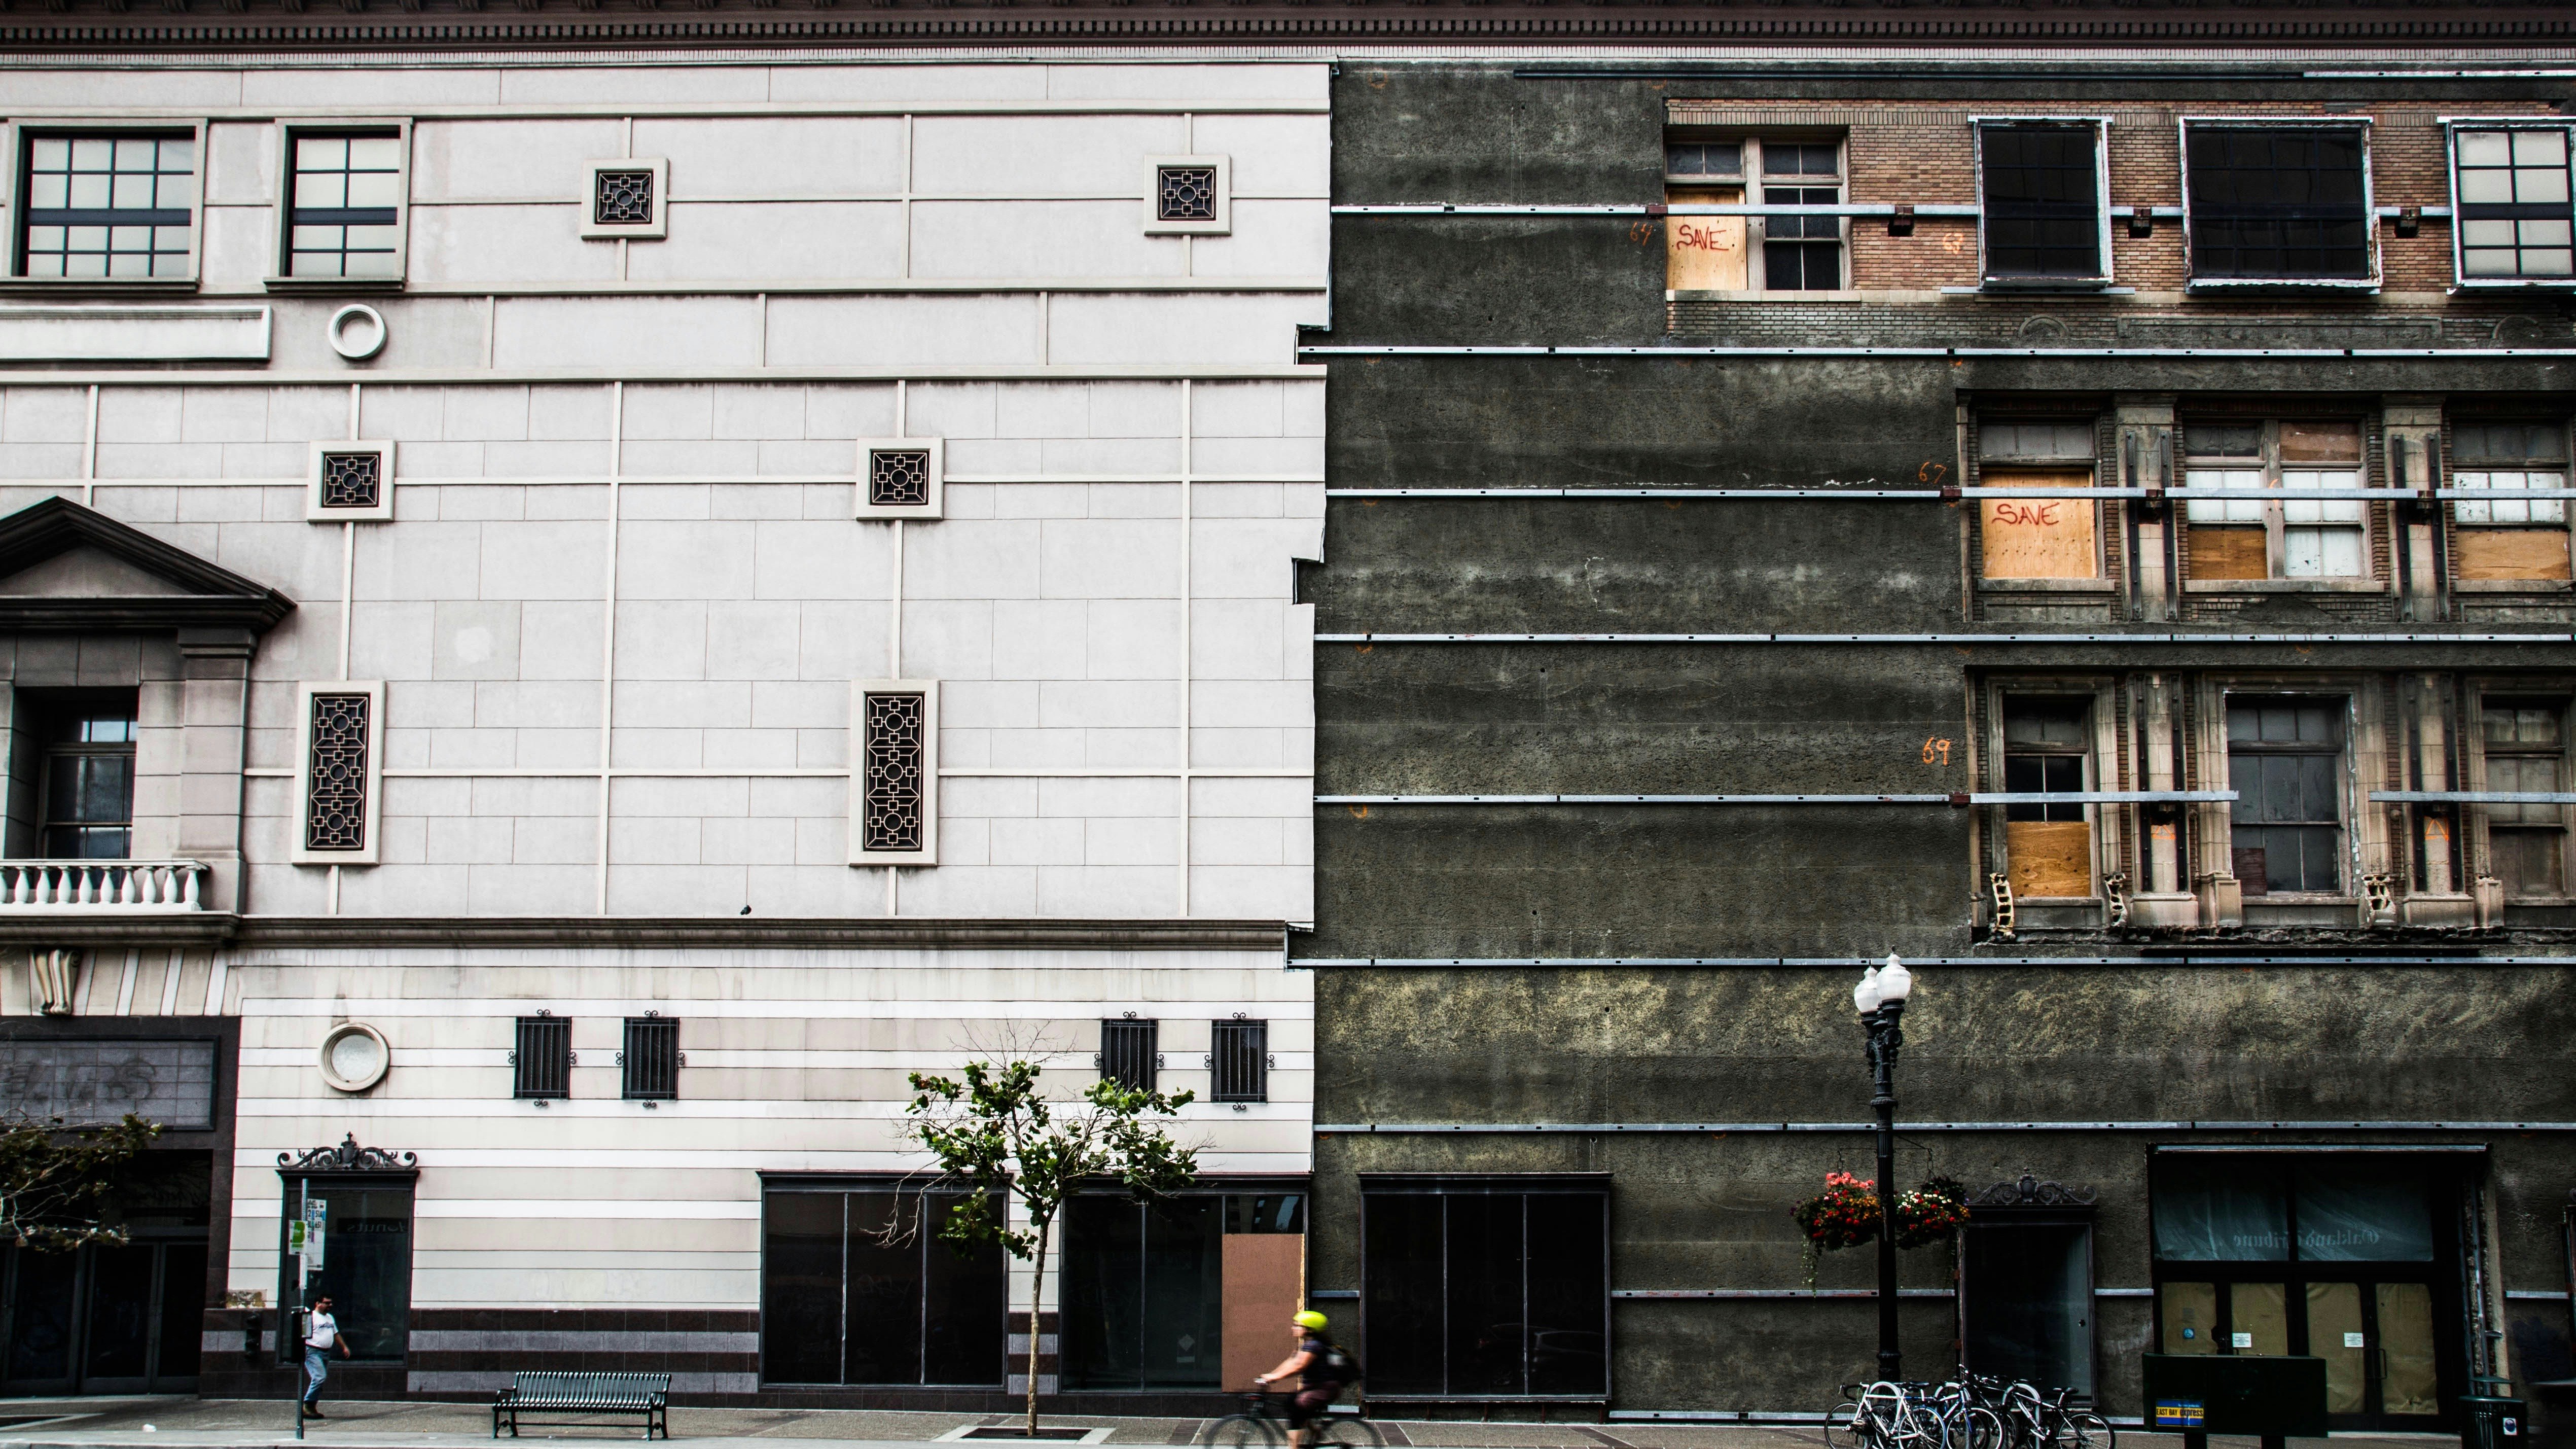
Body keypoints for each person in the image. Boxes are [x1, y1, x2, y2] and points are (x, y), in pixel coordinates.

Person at [1254, 1309, 1359, 1449]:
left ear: (1309, 1329)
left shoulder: (1314, 1346)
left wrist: (1274, 1378)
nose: (1293, 1328)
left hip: (1325, 1389)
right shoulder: (1307, 1345)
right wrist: (1270, 1375)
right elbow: (1290, 1362)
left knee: (1298, 1406)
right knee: (1290, 1401)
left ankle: (1294, 1447)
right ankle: (1315, 1431)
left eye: (1297, 1325)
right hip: (1317, 1387)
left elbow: (1299, 1367)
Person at [301, 1295, 349, 1417]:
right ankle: (307, 1405)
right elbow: (303, 1334)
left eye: (330, 1303)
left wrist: (344, 1347)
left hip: (325, 1352)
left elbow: (336, 1334)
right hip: (312, 1351)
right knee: (319, 1377)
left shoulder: (329, 1318)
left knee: (320, 1379)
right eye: (327, 1303)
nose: (330, 1305)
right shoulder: (311, 1317)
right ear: (318, 1303)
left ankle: (311, 1406)